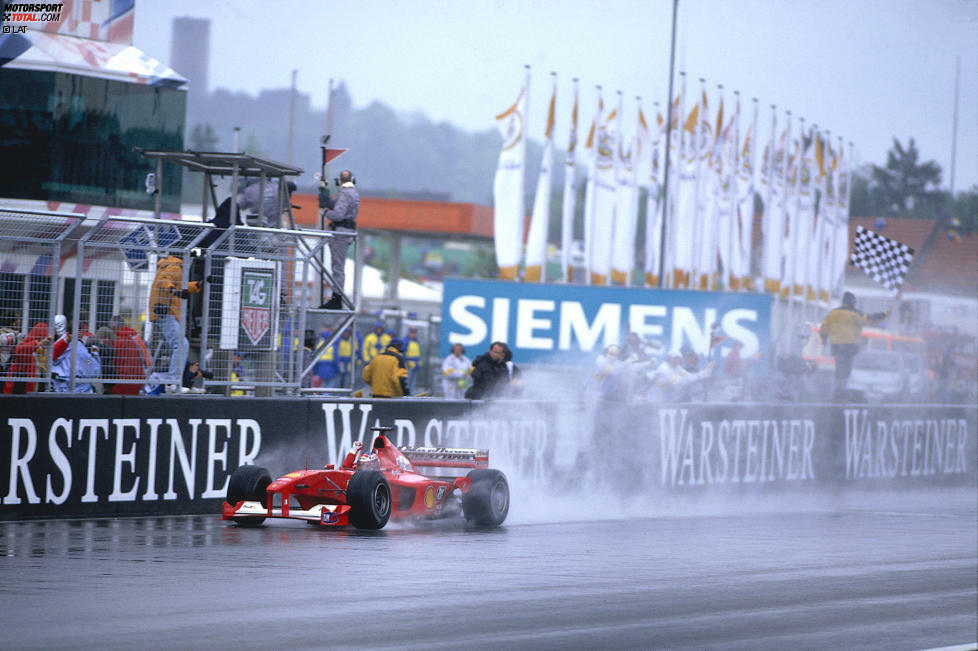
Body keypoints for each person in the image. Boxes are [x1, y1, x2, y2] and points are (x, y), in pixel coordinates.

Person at [819, 291, 889, 400]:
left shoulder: (833, 313)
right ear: (853, 302)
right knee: (848, 369)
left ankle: (838, 391)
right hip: (851, 346)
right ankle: (844, 391)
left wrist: (824, 340)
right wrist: (884, 314)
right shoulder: (855, 314)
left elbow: (824, 328)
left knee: (839, 369)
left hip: (837, 346)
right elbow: (869, 320)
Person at [150, 254, 202, 392]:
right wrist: (173, 290)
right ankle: (172, 382)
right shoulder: (175, 266)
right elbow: (164, 281)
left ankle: (179, 382)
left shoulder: (172, 265)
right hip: (165, 313)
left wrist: (196, 285)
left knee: (179, 348)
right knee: (181, 344)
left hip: (166, 313)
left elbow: (180, 285)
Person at [320, 170, 359, 310]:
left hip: (341, 232)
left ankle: (337, 298)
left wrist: (325, 212)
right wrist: (325, 194)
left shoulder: (345, 193)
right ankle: (336, 296)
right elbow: (334, 203)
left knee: (337, 267)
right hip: (347, 231)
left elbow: (338, 214)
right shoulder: (352, 193)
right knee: (338, 267)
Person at [50, 315, 101, 393]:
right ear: (81, 332)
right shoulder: (79, 347)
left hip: (59, 386)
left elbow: (52, 358)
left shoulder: (62, 343)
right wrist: (95, 354)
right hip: (78, 389)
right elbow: (93, 370)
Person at [108, 315, 151, 395]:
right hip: (141, 380)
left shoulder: (117, 342)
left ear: (116, 327)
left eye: (112, 328)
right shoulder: (138, 338)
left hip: (122, 382)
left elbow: (112, 362)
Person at [3, 322, 50, 394]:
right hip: (20, 385)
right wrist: (38, 344)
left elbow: (53, 355)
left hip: (35, 384)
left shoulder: (42, 350)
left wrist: (65, 341)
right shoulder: (26, 345)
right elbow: (19, 350)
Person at [403, 325, 422, 394]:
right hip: (408, 365)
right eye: (412, 332)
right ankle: (406, 395)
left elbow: (418, 353)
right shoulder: (405, 340)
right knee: (407, 381)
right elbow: (403, 352)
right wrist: (405, 361)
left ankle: (410, 395)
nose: (413, 334)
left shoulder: (417, 341)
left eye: (415, 332)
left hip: (415, 365)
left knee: (413, 382)